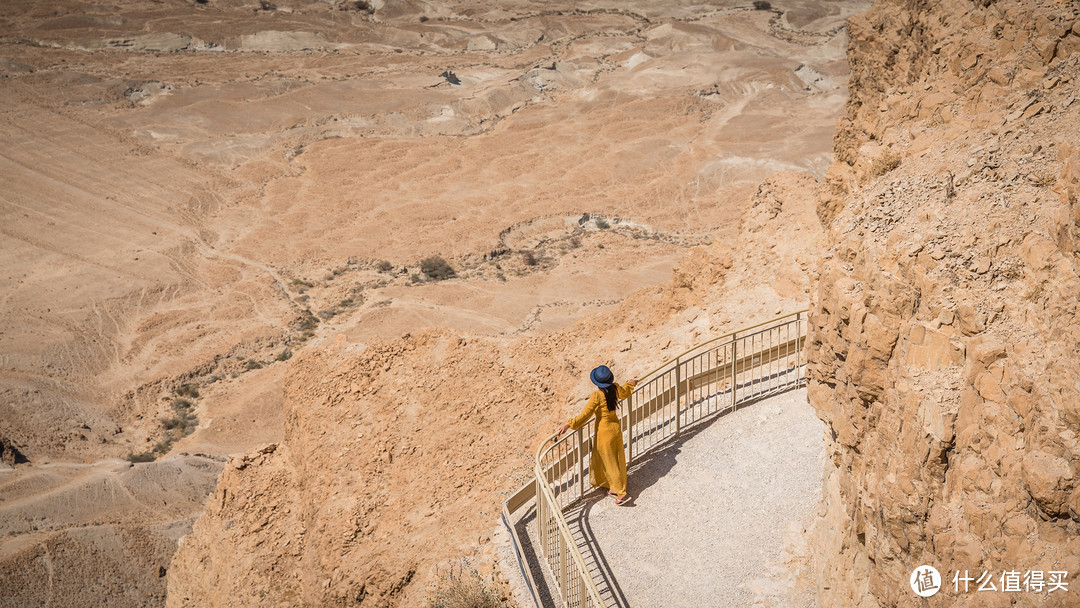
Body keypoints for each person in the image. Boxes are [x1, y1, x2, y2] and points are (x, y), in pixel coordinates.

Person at [557, 365, 638, 505]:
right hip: (615, 427)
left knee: (610, 461)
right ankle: (614, 486)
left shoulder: (597, 396)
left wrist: (568, 424)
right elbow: (625, 392)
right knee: (616, 458)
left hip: (604, 433)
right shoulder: (615, 388)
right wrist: (631, 383)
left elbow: (585, 415)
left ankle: (621, 492)